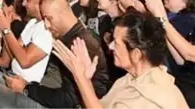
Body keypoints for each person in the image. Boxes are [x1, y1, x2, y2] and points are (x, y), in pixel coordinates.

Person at [0, 0, 109, 109]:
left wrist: (27, 88)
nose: (47, 25)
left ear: (63, 13)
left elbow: (68, 100)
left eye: (49, 18)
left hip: (47, 100)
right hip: (40, 91)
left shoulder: (81, 43)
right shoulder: (67, 34)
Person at [53, 11, 189, 109]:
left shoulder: (151, 96)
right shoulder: (129, 80)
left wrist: (80, 78)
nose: (111, 46)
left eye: (116, 43)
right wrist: (86, 80)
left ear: (136, 54)